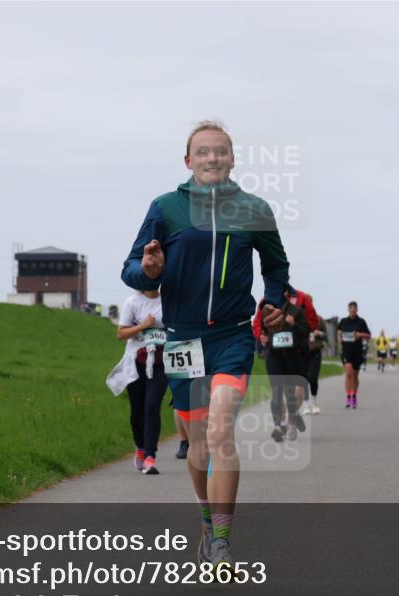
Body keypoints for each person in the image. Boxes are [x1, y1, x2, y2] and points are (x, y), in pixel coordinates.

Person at [121, 119, 290, 570]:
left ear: (232, 159)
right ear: (188, 161)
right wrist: (151, 271)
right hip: (182, 339)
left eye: (220, 151)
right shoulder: (166, 208)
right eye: (203, 152)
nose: (212, 158)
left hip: (232, 336)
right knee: (196, 442)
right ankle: (204, 519)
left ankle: (221, 542)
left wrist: (273, 301)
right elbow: (132, 269)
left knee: (220, 432)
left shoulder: (254, 209)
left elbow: (277, 268)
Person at [106, 289, 167, 474]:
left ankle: (150, 456)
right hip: (136, 362)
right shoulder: (133, 302)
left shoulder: (168, 300)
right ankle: (140, 447)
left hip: (161, 362)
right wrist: (144, 325)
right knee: (137, 411)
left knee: (152, 406)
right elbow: (121, 333)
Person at [254, 285, 310, 442]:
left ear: (287, 293)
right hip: (274, 356)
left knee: (290, 392)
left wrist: (294, 325)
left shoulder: (296, 311)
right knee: (277, 391)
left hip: (291, 356)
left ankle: (294, 415)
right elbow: (258, 326)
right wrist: (261, 336)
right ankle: (278, 425)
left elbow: (306, 331)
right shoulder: (267, 310)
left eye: (281, 291)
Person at [336, 301, 371, 408]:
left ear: (357, 309)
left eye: (354, 308)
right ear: (348, 310)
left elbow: (368, 335)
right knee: (348, 373)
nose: (352, 310)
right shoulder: (343, 321)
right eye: (351, 308)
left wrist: (360, 335)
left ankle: (354, 395)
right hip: (346, 350)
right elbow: (338, 331)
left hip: (357, 351)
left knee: (355, 375)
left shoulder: (361, 322)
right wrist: (339, 338)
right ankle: (348, 397)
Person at [302, 315, 327, 414]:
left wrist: (319, 333)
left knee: (313, 378)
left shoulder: (319, 319)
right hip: (302, 352)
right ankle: (306, 405)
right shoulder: (297, 318)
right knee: (303, 379)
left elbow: (325, 335)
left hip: (315, 351)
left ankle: (314, 403)